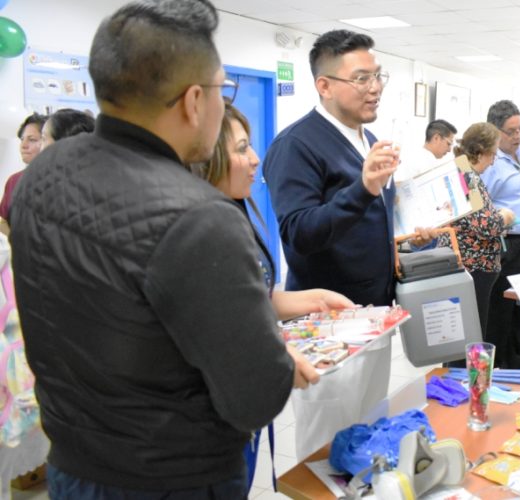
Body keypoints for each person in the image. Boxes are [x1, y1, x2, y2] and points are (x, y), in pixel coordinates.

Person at [9, 0, 318, 495]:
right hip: (170, 478)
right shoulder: (201, 218)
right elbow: (255, 397)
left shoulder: (43, 171)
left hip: (72, 463)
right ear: (194, 101)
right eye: (223, 90)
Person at [197, 102, 353, 491]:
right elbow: (212, 325)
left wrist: (314, 298)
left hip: (243, 409)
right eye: (241, 149)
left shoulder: (235, 211)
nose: (254, 160)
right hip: (212, 411)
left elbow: (256, 300)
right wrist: (276, 358)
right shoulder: (196, 230)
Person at [263, 29, 403, 307]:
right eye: (362, 78)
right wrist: (362, 189)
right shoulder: (295, 145)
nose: (375, 87)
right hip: (329, 315)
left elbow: (369, 219)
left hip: (374, 306)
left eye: (377, 75)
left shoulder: (368, 139)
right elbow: (298, 233)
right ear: (324, 86)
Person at [479, 100, 520, 368]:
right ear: (495, 132)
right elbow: (479, 207)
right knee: (501, 308)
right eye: (511, 131)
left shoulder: (519, 155)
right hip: (506, 244)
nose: (517, 136)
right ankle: (501, 363)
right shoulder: (491, 164)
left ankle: (518, 358)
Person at [439, 122, 514, 338]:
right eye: (492, 155)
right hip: (473, 268)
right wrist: (504, 217)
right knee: (469, 335)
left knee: (460, 334)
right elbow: (485, 225)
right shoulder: (468, 176)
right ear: (480, 152)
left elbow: (473, 215)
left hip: (466, 265)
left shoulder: (460, 169)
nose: (492, 162)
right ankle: (467, 373)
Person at [0, 113, 46, 235]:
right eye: (22, 139)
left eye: (32, 140)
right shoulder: (14, 180)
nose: (23, 146)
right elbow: (3, 221)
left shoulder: (61, 180)